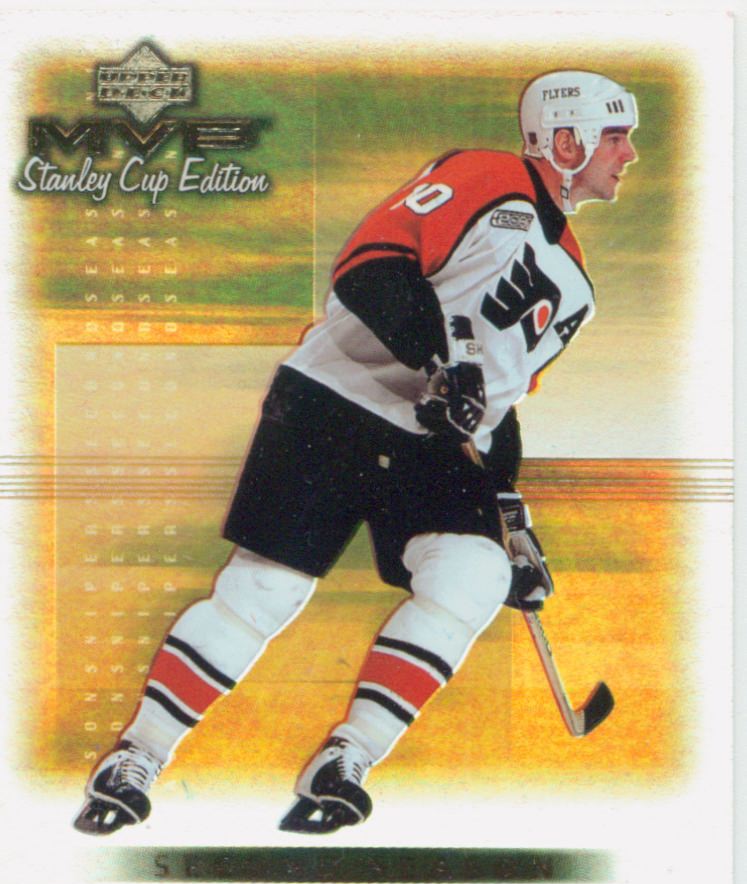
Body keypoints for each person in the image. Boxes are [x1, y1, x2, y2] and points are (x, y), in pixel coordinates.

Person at [73, 69, 638, 836]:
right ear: (564, 140)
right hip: (334, 402)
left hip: (430, 439)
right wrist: (437, 363)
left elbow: (496, 407)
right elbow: (372, 268)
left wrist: (508, 513)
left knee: (475, 572)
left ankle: (347, 757)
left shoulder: (576, 286)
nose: (628, 154)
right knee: (266, 589)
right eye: (615, 136)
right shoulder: (485, 176)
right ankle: (137, 753)